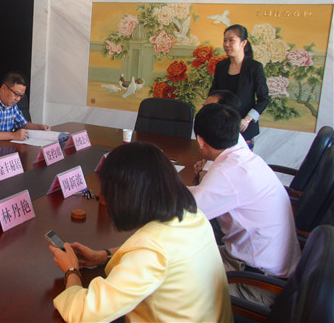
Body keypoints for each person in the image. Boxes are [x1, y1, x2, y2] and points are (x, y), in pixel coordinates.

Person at [48, 142, 232, 323]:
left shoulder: (151, 250)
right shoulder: (192, 215)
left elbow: (82, 313)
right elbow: (160, 255)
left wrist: (71, 271)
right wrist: (103, 256)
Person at [189, 103, 300, 305]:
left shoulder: (227, 172)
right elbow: (199, 196)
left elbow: (184, 213)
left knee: (173, 282)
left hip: (256, 284)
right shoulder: (243, 159)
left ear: (200, 141)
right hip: (265, 270)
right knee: (183, 256)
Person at [209, 24, 270, 149]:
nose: (227, 44)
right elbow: (213, 93)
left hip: (244, 128)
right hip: (222, 127)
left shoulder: (254, 67)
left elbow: (264, 99)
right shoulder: (221, 66)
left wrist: (247, 119)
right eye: (225, 40)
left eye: (231, 40)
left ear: (243, 43)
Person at [194, 89, 248, 180]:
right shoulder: (226, 133)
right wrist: (205, 162)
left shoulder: (225, 141)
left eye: (209, 107)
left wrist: (203, 170)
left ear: (224, 112)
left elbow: (205, 179)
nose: (203, 111)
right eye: (204, 106)